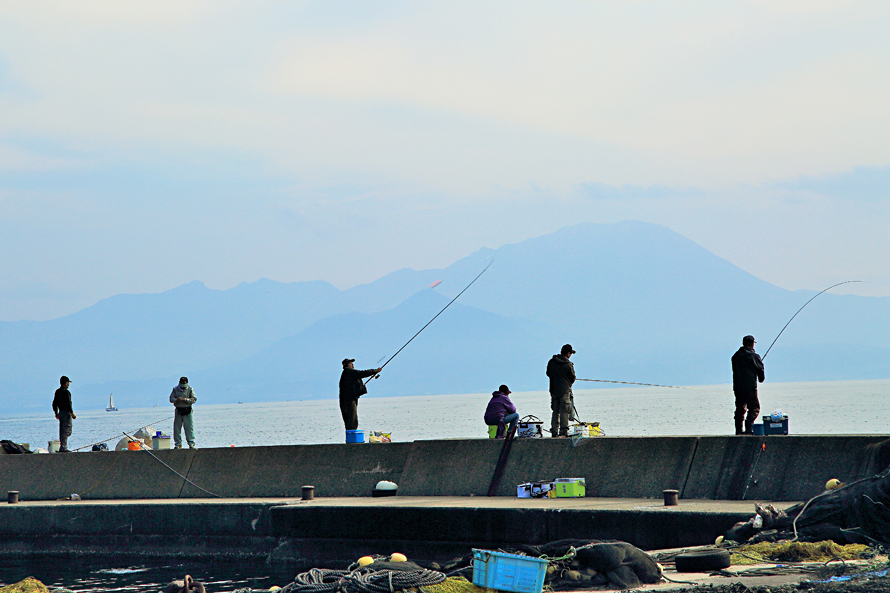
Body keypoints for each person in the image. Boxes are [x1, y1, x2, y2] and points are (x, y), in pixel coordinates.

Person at [731, 335, 765, 435]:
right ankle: (749, 427)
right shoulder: (754, 356)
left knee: (740, 408)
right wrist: (761, 378)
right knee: (754, 408)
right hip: (750, 387)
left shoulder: (735, 356)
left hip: (738, 387)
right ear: (752, 344)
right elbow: (760, 370)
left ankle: (738, 429)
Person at [338, 358, 382, 430]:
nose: (352, 365)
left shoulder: (348, 374)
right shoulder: (349, 372)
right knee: (352, 420)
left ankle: (352, 438)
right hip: (349, 401)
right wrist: (375, 371)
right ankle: (353, 439)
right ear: (346, 366)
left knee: (351, 420)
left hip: (348, 400)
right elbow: (362, 373)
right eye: (350, 363)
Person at [547, 344, 577, 437]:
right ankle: (563, 432)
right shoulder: (568, 364)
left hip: (554, 390)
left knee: (555, 410)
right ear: (568, 354)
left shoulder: (551, 362)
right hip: (564, 391)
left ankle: (554, 431)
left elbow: (548, 373)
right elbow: (572, 378)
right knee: (565, 410)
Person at [170, 376, 198, 449]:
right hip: (179, 410)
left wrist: (187, 400)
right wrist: (176, 400)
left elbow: (194, 399)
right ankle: (178, 444)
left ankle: (191, 443)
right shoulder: (175, 389)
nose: (183, 388)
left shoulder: (190, 389)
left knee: (189, 428)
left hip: (187, 410)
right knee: (177, 428)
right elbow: (171, 398)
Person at [52, 375, 76, 452]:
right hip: (66, 413)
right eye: (68, 383)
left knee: (62, 429)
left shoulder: (57, 392)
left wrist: (56, 412)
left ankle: (62, 446)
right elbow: (69, 403)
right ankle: (63, 447)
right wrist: (72, 413)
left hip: (61, 412)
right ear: (65, 383)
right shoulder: (66, 392)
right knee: (67, 429)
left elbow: (54, 403)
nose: (68, 384)